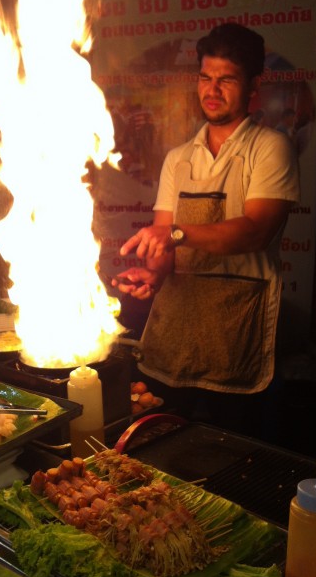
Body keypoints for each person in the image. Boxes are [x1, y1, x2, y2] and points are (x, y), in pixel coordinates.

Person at [112, 23, 300, 437]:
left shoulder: (270, 148)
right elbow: (165, 242)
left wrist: (178, 234)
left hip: (237, 330)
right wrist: (154, 273)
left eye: (226, 79)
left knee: (236, 450)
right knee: (154, 446)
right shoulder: (179, 159)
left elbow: (256, 231)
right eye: (205, 77)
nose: (212, 90)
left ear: (252, 85)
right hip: (174, 329)